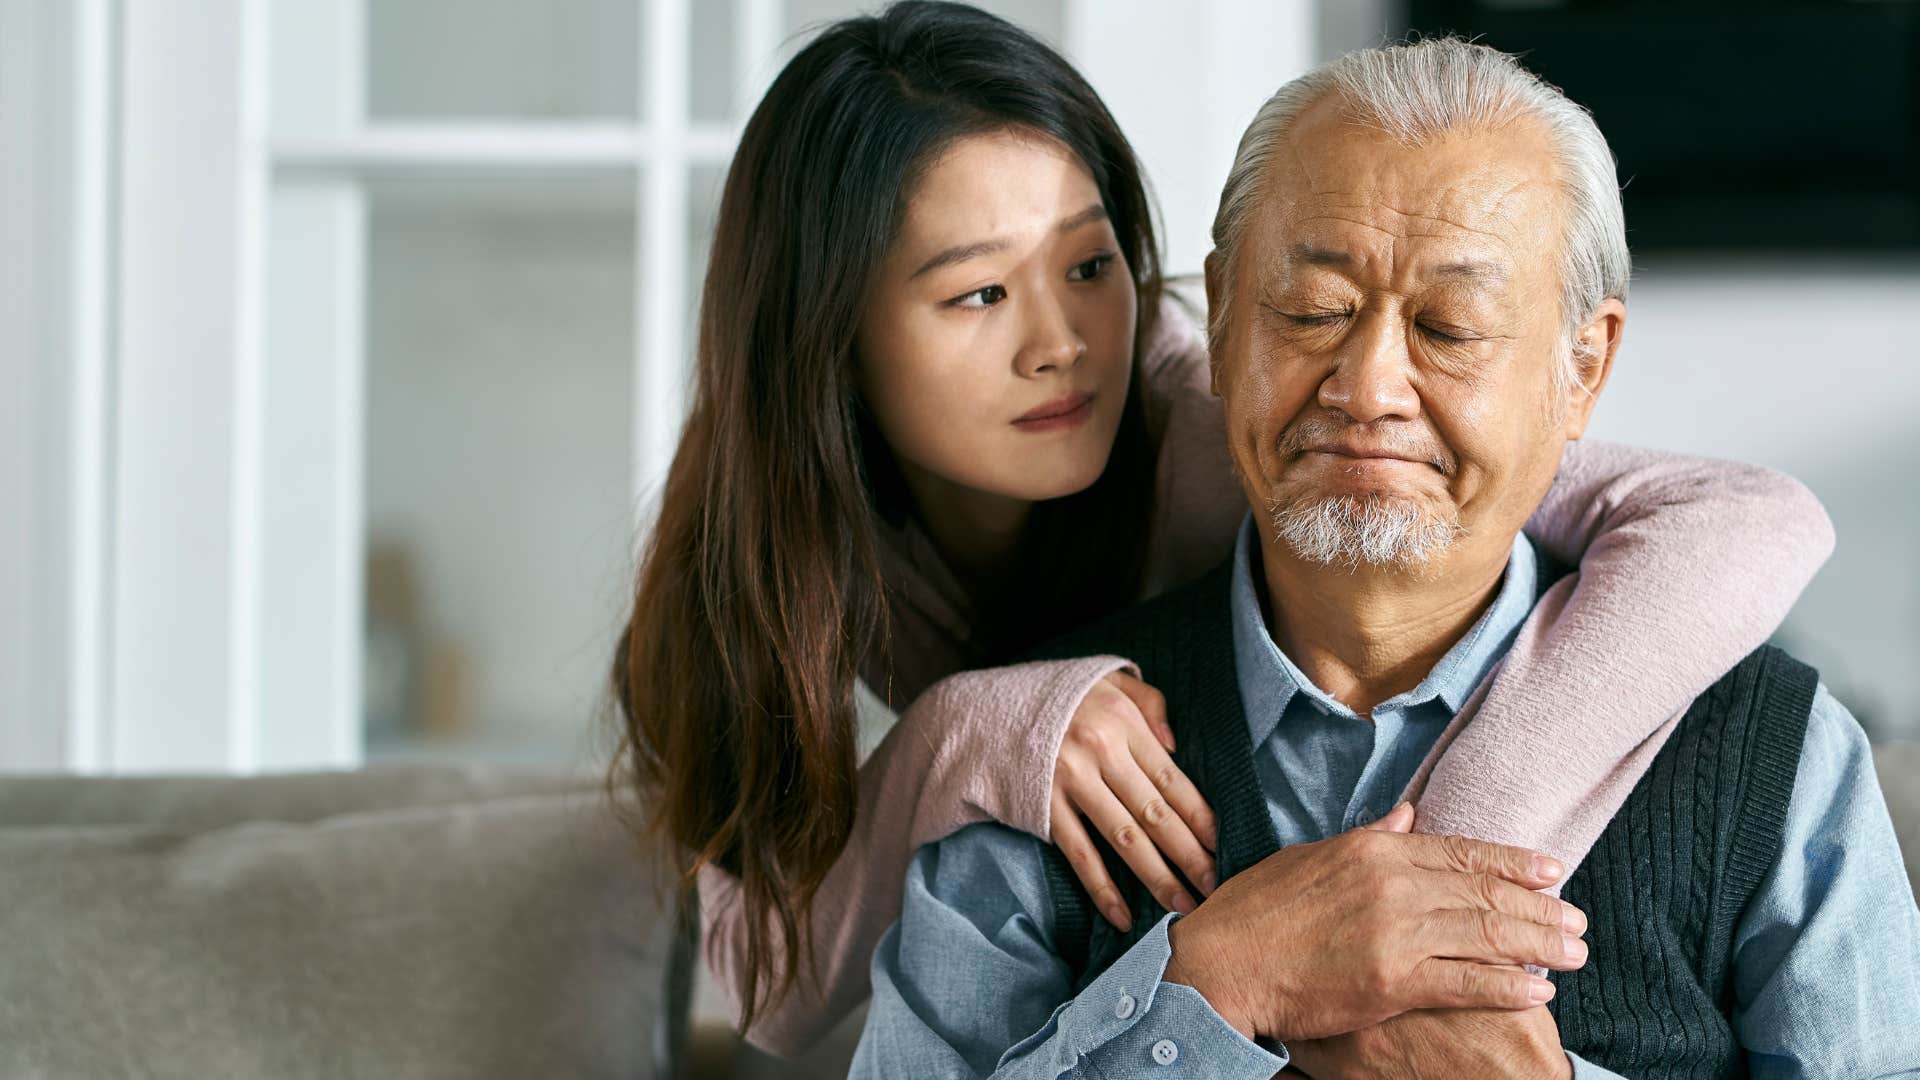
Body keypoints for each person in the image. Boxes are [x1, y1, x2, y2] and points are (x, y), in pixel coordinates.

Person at [607, 2, 1836, 1057]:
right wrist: (962, 730)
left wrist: (1442, 867)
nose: (1062, 339)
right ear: (829, 333)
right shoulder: (756, 557)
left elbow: (1741, 516)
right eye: (978, 292)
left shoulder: (1219, 412)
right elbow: (769, 991)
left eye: (1090, 267)